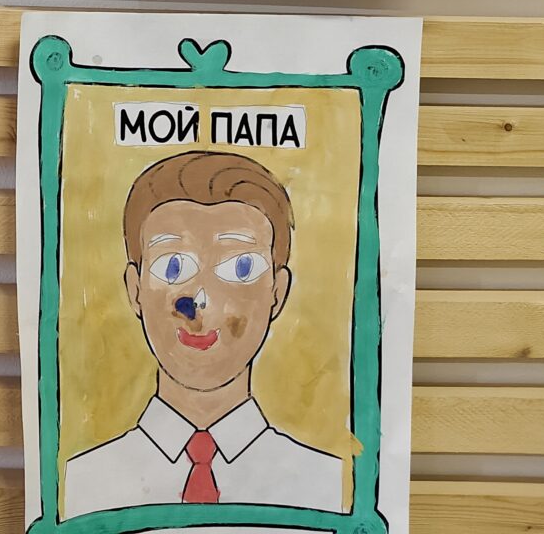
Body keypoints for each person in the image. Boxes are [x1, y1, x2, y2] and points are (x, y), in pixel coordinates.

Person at [61, 151, 342, 518]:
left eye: (241, 267)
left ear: (278, 291)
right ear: (135, 289)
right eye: (172, 266)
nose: (201, 300)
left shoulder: (324, 489)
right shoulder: (83, 487)